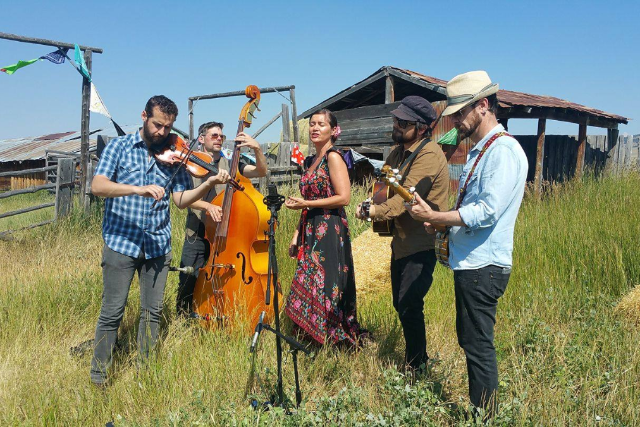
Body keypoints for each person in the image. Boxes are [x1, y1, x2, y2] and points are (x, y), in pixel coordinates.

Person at [405, 71, 528, 417]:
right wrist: (441, 223)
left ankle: (484, 417)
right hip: (474, 263)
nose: (456, 120)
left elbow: (487, 211)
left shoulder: (502, 152)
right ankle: (482, 412)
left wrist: (438, 216)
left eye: (460, 113)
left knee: (478, 346)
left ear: (483, 106)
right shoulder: (483, 150)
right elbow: (475, 209)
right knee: (472, 341)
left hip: (483, 266)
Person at [90, 95, 230, 386]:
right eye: (157, 125)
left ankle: (146, 375)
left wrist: (207, 183)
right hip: (121, 243)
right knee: (112, 312)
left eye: (168, 127)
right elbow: (98, 186)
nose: (162, 133)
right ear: (144, 116)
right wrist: (137, 189)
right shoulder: (119, 147)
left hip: (157, 245)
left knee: (152, 313)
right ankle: (99, 377)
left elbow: (180, 200)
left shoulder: (174, 156)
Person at [355, 96, 450, 371]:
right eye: (396, 119)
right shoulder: (398, 152)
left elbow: (405, 199)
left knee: (410, 304)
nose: (396, 124)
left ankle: (416, 365)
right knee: (400, 303)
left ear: (421, 128)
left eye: (403, 122)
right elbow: (384, 184)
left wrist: (373, 211)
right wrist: (372, 198)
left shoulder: (429, 155)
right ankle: (416, 359)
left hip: (422, 242)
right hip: (401, 241)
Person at [284, 109, 366, 346]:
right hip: (310, 227)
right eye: (312, 124)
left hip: (330, 228)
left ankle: (331, 335)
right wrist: (296, 235)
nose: (315, 128)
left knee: (328, 281)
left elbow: (344, 198)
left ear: (333, 130)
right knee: (309, 279)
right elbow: (306, 203)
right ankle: (310, 334)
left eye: (321, 124)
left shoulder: (334, 157)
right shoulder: (310, 161)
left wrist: (307, 204)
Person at [176, 121, 267, 317]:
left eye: (221, 136)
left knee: (219, 276)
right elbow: (183, 198)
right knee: (189, 277)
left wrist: (257, 149)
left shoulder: (232, 164)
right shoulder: (189, 165)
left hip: (224, 233)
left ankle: (213, 313)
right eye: (214, 135)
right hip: (198, 230)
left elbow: (261, 171)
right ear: (201, 139)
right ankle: (183, 318)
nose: (219, 139)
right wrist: (207, 206)